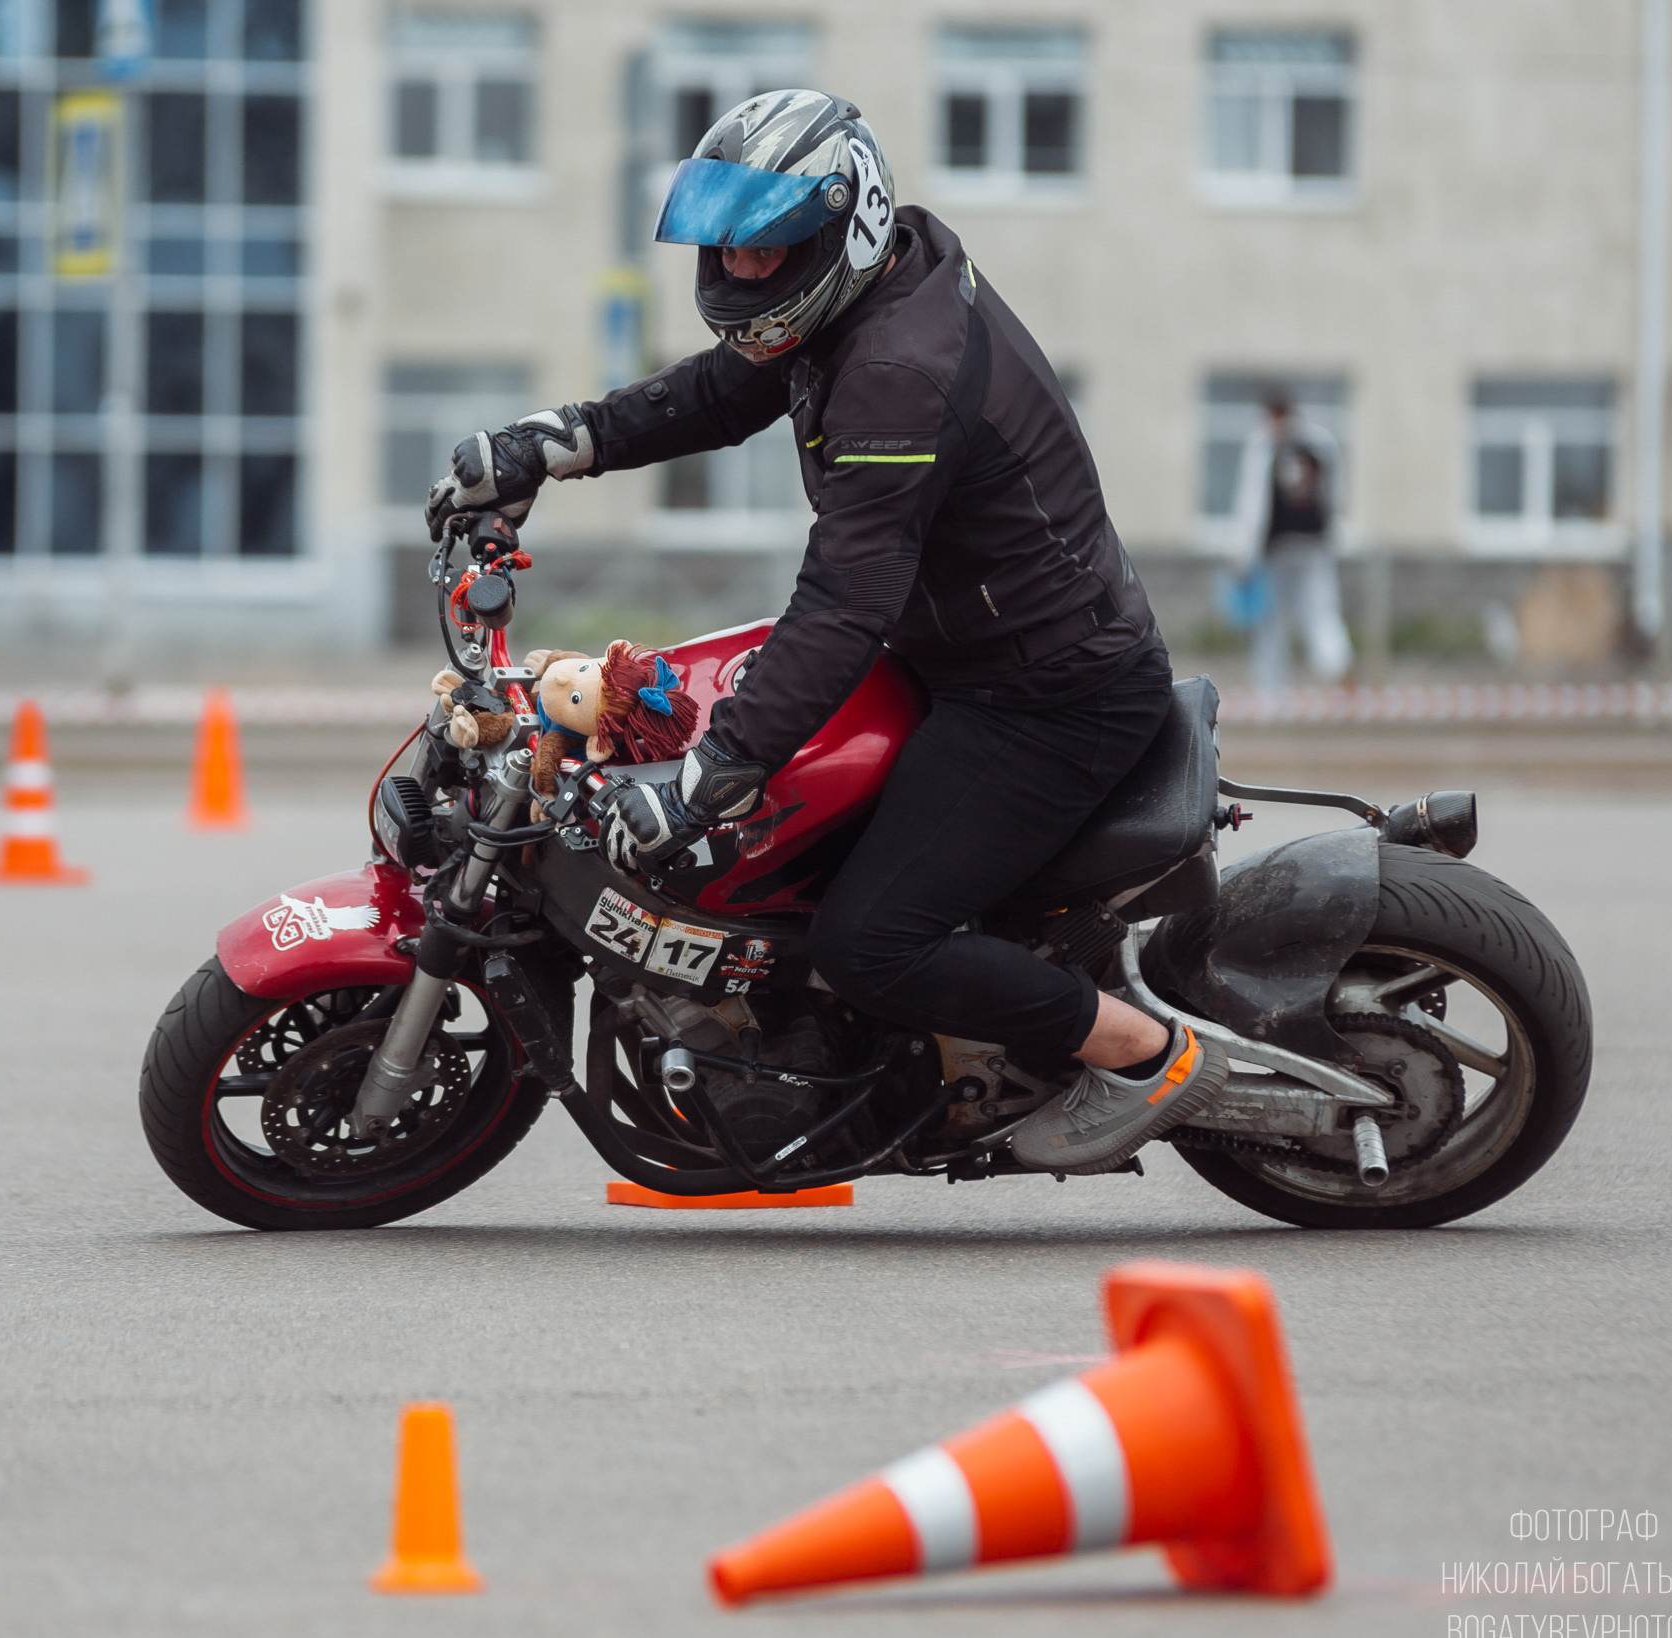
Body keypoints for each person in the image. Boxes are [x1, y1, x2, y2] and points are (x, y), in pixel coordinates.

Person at [424, 90, 1226, 1175]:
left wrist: (718, 771)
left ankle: (1144, 1057)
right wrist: (555, 443)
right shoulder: (875, 282)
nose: (742, 271)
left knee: (872, 941)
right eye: (728, 251)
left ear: (842, 222)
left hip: (1044, 694)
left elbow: (848, 595)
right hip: (964, 653)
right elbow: (725, 390)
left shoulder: (898, 370)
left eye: (767, 251)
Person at [1229, 394, 1351, 689]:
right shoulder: (1321, 443)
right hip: (1303, 546)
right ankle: (1328, 676)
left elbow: (1252, 506)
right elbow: (1335, 495)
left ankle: (1292, 686)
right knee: (1307, 616)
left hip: (1291, 547)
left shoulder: (1266, 446)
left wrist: (1243, 554)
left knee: (1284, 619)